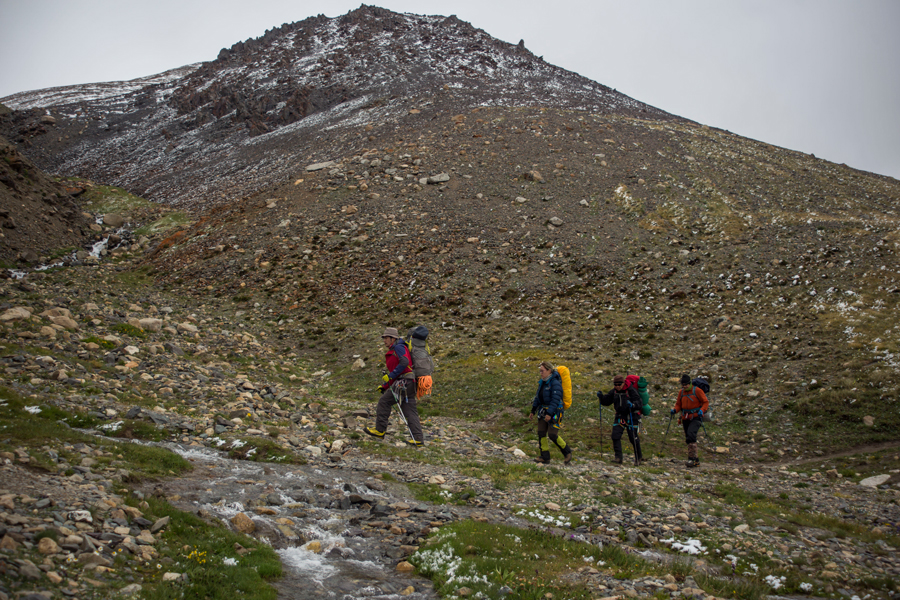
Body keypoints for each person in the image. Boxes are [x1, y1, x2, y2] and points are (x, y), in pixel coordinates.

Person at [364, 327, 425, 446]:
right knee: (410, 411)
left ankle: (380, 430)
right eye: (384, 338)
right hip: (410, 382)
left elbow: (404, 362)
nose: (384, 340)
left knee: (384, 401)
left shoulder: (398, 347)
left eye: (386, 338)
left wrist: (390, 376)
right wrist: (385, 386)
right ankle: (418, 439)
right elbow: (400, 369)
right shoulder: (399, 347)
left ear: (393, 338)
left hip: (404, 382)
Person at [529, 361, 573, 464]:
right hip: (543, 410)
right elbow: (538, 397)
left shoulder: (555, 383)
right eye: (540, 371)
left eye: (542, 371)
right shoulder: (542, 382)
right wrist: (533, 410)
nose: (541, 373)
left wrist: (549, 413)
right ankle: (545, 456)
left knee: (552, 434)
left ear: (549, 371)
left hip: (555, 412)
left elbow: (556, 400)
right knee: (541, 433)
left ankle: (567, 452)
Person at [598, 374, 643, 465]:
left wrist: (633, 405)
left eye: (619, 384)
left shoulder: (631, 390)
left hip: (632, 416)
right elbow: (607, 401)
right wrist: (601, 398)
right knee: (615, 435)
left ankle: (638, 458)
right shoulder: (614, 392)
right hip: (620, 416)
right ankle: (618, 458)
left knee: (633, 438)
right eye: (615, 384)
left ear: (623, 383)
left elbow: (639, 403)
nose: (617, 386)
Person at [671, 374, 709, 467]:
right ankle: (694, 460)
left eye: (686, 385)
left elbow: (705, 402)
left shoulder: (697, 391)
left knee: (691, 435)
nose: (684, 387)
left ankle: (692, 459)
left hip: (696, 417)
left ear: (690, 383)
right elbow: (679, 404)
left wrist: (702, 410)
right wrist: (675, 410)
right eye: (683, 385)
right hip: (685, 418)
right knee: (688, 438)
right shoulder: (682, 392)